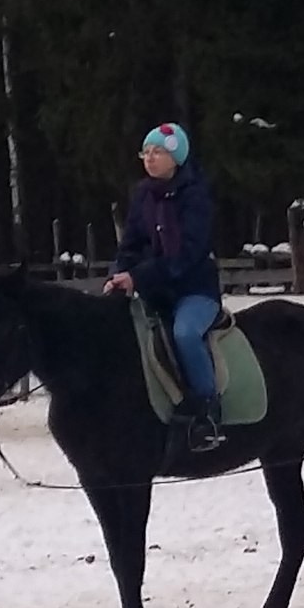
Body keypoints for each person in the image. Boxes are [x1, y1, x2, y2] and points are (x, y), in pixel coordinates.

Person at [105, 122, 226, 452]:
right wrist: (119, 274)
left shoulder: (196, 196)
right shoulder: (143, 194)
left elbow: (185, 254)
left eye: (157, 152)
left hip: (194, 291)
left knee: (185, 333)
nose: (149, 158)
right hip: (155, 292)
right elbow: (130, 244)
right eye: (145, 152)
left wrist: (139, 278)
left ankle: (208, 408)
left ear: (177, 157)